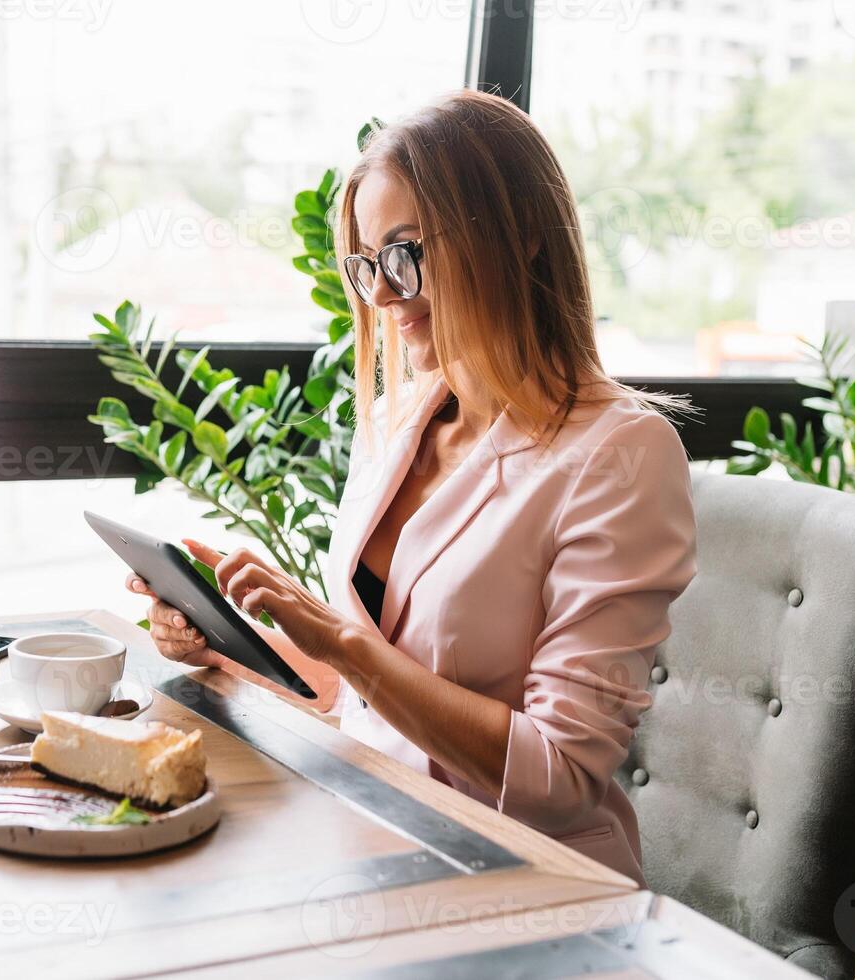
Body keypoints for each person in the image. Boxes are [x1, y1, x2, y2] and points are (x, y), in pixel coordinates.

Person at [127, 91, 697, 885]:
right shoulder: (398, 420)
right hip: (373, 833)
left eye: (407, 252)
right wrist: (229, 640)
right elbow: (362, 700)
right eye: (366, 265)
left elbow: (560, 778)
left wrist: (346, 646)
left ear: (522, 235)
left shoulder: (621, 452)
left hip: (521, 883)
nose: (384, 296)